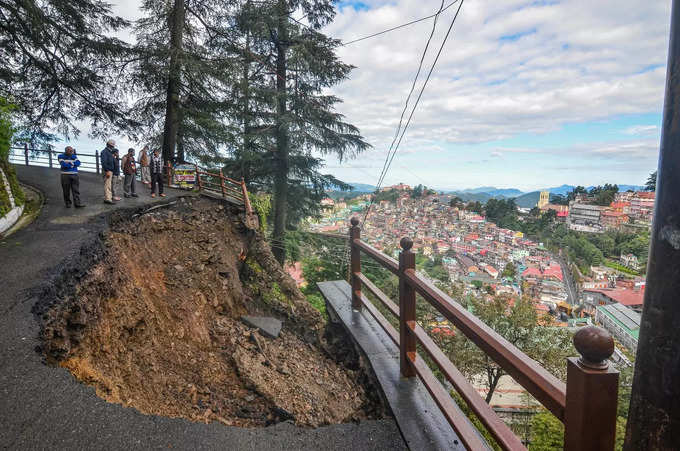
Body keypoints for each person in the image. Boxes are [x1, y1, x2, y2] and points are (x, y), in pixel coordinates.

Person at [101, 139, 116, 204]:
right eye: (112, 145)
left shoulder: (109, 152)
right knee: (107, 185)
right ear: (109, 145)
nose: (113, 147)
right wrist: (107, 170)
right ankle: (108, 199)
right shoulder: (104, 152)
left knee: (108, 184)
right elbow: (104, 162)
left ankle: (108, 197)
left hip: (110, 170)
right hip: (107, 170)